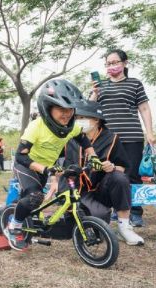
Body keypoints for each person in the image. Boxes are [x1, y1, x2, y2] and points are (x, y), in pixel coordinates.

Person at [6, 79, 103, 251]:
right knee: (34, 197)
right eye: (61, 109)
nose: (67, 114)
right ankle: (14, 225)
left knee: (33, 201)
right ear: (47, 108)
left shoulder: (71, 127)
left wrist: (94, 157)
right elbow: (21, 158)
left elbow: (83, 140)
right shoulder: (36, 127)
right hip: (28, 166)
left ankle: (15, 210)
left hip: (47, 167)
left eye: (70, 109)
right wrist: (45, 169)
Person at [90, 49, 156, 227]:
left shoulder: (135, 83)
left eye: (115, 62)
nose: (112, 66)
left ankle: (135, 212)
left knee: (132, 175)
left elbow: (144, 108)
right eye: (108, 63)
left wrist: (149, 132)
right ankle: (115, 210)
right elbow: (90, 109)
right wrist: (95, 93)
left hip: (131, 136)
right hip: (107, 140)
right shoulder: (101, 85)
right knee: (109, 174)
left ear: (124, 63)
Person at [62, 100, 144, 245]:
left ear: (96, 120)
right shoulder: (69, 138)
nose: (78, 121)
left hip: (100, 190)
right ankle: (83, 216)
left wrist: (111, 167)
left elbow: (123, 167)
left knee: (120, 178)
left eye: (82, 117)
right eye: (77, 118)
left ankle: (124, 228)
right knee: (94, 226)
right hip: (76, 191)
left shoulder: (111, 138)